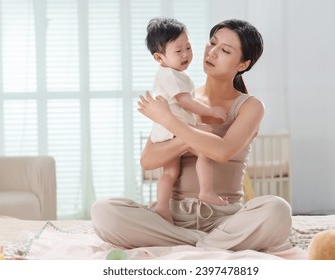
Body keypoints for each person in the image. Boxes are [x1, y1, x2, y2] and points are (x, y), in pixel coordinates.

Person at [91, 19, 292, 252]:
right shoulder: (178, 99)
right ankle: (207, 245)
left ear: (242, 64)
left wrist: (169, 121)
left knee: (277, 210)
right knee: (104, 211)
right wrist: (185, 130)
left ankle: (182, 244)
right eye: (212, 43)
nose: (212, 52)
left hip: (225, 219)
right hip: (172, 218)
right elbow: (148, 161)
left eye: (225, 50)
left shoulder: (250, 106)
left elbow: (222, 150)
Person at [145, 17, 228, 223]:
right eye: (178, 51)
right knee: (205, 151)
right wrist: (212, 111)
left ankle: (162, 207)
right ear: (159, 57)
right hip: (176, 128)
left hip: (164, 131)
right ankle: (206, 191)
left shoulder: (169, 74)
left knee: (170, 172)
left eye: (188, 48)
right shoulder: (171, 75)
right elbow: (186, 102)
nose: (186, 55)